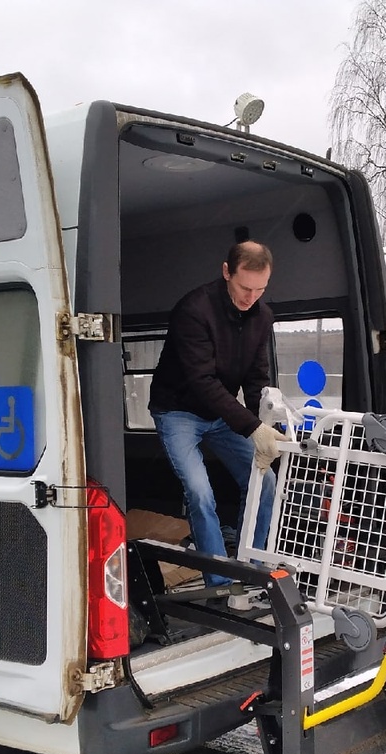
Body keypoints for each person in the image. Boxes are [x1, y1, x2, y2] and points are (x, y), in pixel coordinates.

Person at [149, 241, 283, 607]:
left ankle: (252, 570)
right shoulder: (194, 310)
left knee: (265, 480)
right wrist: (252, 428)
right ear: (227, 272)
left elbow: (256, 378)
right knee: (200, 491)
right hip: (177, 411)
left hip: (219, 413)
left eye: (260, 290)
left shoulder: (262, 315)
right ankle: (219, 584)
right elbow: (202, 381)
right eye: (244, 288)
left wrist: (269, 421)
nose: (251, 297)